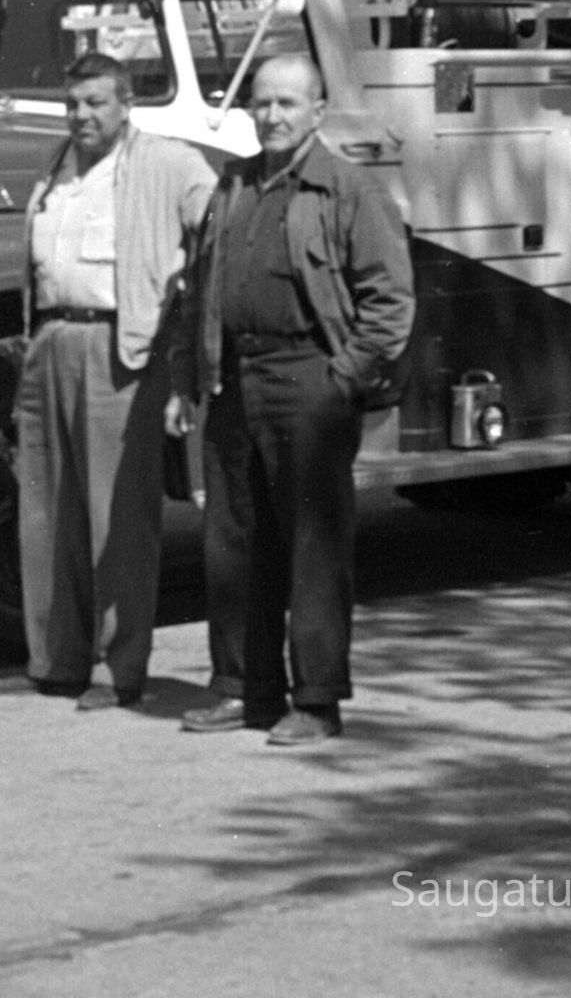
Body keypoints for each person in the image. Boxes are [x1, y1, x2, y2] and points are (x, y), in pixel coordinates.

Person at [180, 54, 415, 746]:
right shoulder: (233, 186)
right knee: (232, 543)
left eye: (287, 104)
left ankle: (314, 701)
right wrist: (193, 375)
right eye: (262, 103)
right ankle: (242, 689)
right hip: (234, 381)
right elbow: (199, 287)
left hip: (308, 381)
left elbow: (389, 300)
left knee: (311, 547)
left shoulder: (346, 190)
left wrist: (341, 379)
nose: (272, 116)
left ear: (317, 112)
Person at [0, 52, 214, 711]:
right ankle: (54, 662)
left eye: (96, 103)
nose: (83, 115)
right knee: (44, 511)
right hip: (50, 342)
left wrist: (187, 326)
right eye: (74, 103)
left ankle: (118, 672)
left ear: (125, 106)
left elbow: (214, 222)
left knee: (114, 517)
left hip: (121, 349)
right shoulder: (56, 168)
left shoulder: (165, 163)